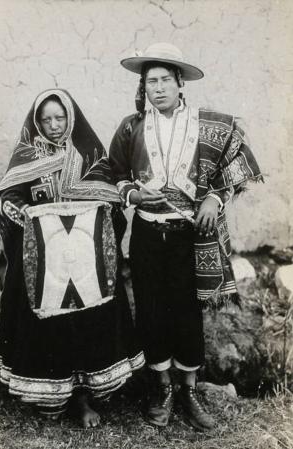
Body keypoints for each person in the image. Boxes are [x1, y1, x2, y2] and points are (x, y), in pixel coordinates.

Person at [109, 43, 262, 429]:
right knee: (151, 310)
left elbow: (234, 165)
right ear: (143, 88)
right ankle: (162, 387)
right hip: (146, 232)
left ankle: (189, 390)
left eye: (164, 80)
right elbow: (114, 175)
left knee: (187, 311)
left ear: (180, 85)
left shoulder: (205, 125)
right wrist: (134, 194)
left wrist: (212, 198)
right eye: (150, 82)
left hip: (188, 235)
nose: (157, 88)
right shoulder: (132, 126)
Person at [0, 88, 144, 427]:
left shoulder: (90, 155)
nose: (54, 125)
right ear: (37, 123)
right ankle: (50, 400)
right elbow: (5, 198)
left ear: (70, 116)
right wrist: (26, 212)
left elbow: (112, 206)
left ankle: (85, 399)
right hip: (42, 263)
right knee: (48, 326)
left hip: (86, 261)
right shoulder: (26, 157)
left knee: (84, 324)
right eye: (45, 119)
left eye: (59, 117)